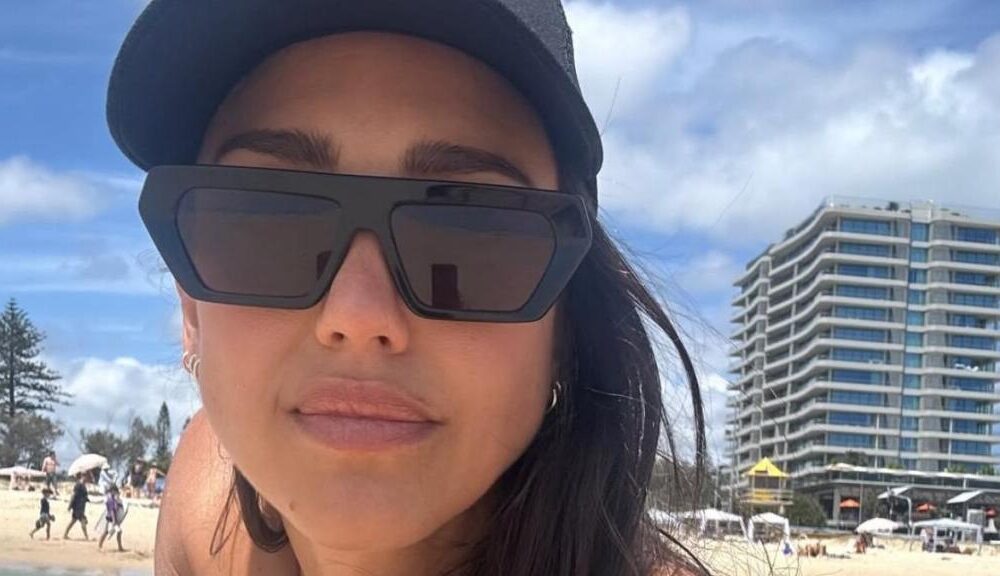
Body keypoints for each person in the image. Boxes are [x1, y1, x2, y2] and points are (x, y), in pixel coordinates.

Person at [106, 1, 708, 575]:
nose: (358, 315)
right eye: (269, 224)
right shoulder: (201, 505)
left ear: (564, 322)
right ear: (191, 307)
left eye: (467, 234)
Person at [99, 485, 126, 552]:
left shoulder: (112, 498)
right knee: (109, 532)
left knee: (108, 532)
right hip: (111, 519)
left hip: (111, 518)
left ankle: (100, 545)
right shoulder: (111, 499)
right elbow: (112, 510)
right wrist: (114, 520)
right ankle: (100, 546)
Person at [63, 473, 89, 540]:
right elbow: (73, 495)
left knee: (75, 521)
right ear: (82, 476)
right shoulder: (78, 485)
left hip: (81, 506)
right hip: (77, 507)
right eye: (86, 476)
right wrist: (70, 506)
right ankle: (86, 537)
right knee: (80, 521)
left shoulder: (83, 485)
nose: (87, 478)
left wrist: (86, 499)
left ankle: (65, 534)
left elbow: (83, 496)